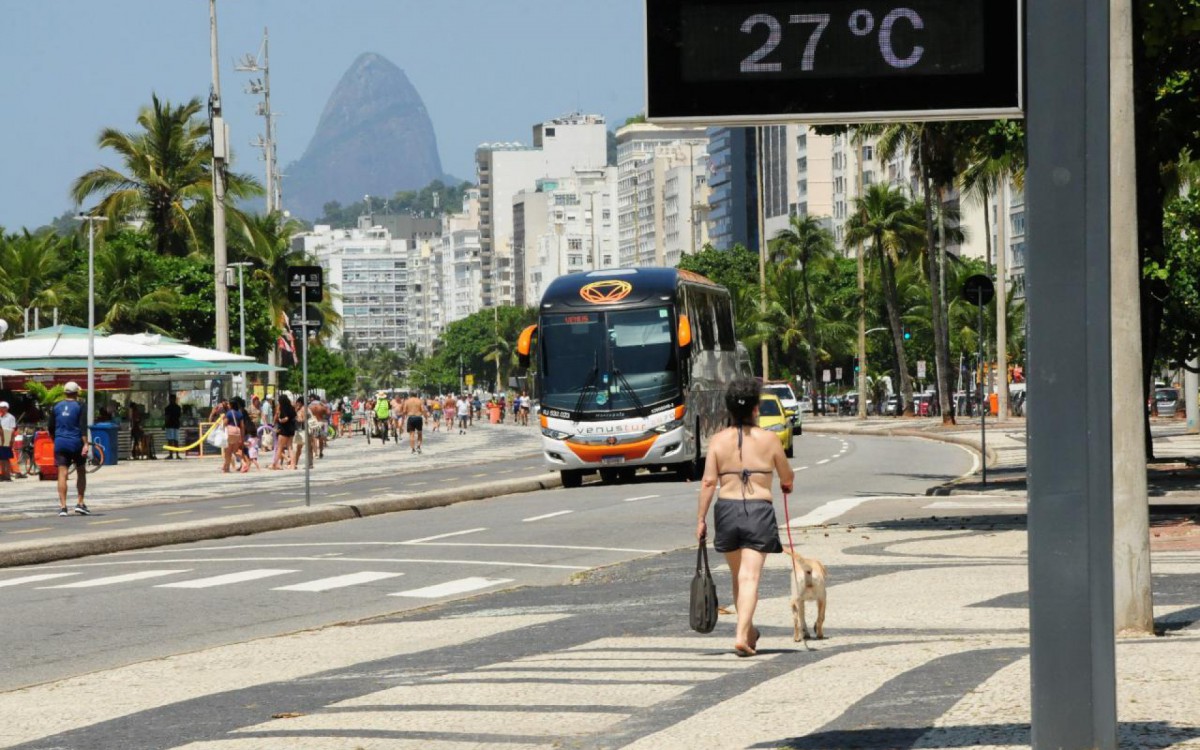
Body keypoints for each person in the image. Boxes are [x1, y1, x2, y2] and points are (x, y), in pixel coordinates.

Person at [695, 377, 795, 657]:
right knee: (750, 577)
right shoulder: (769, 439)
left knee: (738, 577)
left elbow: (707, 483)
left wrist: (701, 519)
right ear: (755, 409)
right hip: (758, 511)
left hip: (726, 511)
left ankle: (749, 632)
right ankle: (741, 635)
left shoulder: (717, 440)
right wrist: (786, 483)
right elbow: (786, 475)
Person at [49, 382, 90, 516]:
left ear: (64, 392)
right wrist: (85, 444)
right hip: (76, 442)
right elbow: (82, 427)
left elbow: (51, 427)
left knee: (62, 473)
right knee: (81, 471)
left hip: (60, 442)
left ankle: (63, 507)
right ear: (76, 393)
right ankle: (80, 502)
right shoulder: (80, 405)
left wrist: (56, 439)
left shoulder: (56, 406)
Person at [271, 394, 296, 470]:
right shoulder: (291, 407)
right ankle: (293, 464)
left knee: (279, 448)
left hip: (284, 430)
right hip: (291, 430)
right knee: (290, 448)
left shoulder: (283, 408)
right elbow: (295, 416)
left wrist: (280, 420)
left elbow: (286, 418)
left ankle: (276, 464)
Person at [0, 401, 16, 482]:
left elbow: (13, 429)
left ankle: (7, 475)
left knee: (6, 458)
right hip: (0, 437)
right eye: (1, 407)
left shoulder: (11, 417)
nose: (2, 408)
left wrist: (11, 440)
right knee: (1, 458)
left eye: (4, 407)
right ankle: (3, 474)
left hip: (7, 437)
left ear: (7, 408)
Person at [163, 394, 182, 459]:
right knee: (176, 441)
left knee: (170, 441)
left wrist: (164, 425)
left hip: (170, 425)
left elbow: (167, 417)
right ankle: (177, 455)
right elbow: (179, 417)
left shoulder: (167, 408)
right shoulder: (178, 408)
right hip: (176, 425)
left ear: (170, 399)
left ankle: (171, 455)